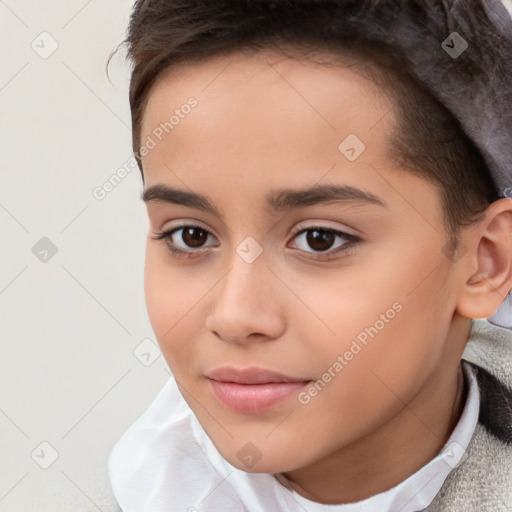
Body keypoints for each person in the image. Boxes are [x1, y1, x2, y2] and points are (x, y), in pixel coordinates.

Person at [107, 1, 512, 510]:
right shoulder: (149, 479)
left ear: (485, 261)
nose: (234, 316)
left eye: (320, 239)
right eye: (190, 235)